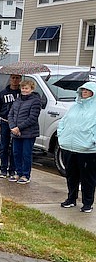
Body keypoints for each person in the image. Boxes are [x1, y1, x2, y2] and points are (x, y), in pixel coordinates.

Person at [57, 81, 96, 213]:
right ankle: (71, 199)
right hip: (69, 147)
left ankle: (87, 203)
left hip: (87, 150)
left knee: (87, 178)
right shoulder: (74, 107)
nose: (84, 92)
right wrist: (61, 135)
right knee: (71, 175)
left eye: (87, 90)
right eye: (82, 90)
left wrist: (92, 141)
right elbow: (63, 122)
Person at [8, 78, 41, 184]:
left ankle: (25, 175)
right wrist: (13, 127)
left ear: (31, 89)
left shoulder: (35, 101)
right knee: (16, 153)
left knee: (26, 154)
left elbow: (32, 118)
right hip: (16, 132)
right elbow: (11, 114)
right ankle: (18, 172)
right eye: (22, 88)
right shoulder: (17, 100)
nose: (24, 90)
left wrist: (19, 128)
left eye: (26, 88)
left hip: (29, 133)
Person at [0, 73, 21, 181]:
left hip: (16, 124)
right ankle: (3, 169)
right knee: (4, 147)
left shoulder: (22, 94)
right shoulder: (3, 93)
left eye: (17, 78)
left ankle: (12, 170)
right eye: (13, 78)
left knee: (15, 148)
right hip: (5, 122)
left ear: (20, 79)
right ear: (10, 79)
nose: (15, 80)